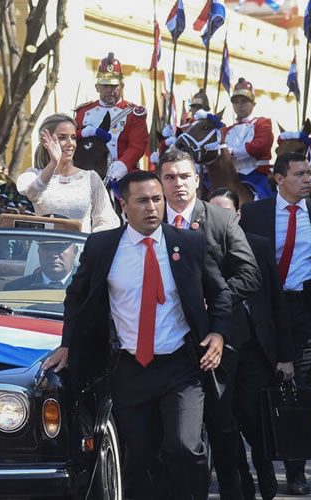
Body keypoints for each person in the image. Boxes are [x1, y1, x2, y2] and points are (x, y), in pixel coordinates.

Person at [44, 170, 231, 500]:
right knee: (140, 455)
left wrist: (218, 333)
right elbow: (76, 297)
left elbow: (221, 294)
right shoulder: (103, 246)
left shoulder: (188, 244)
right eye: (142, 201)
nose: (151, 207)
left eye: (157, 199)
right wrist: (67, 344)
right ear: (124, 206)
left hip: (181, 367)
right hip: (129, 369)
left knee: (184, 447)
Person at [240, 151, 311, 495]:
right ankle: (262, 465)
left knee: (297, 387)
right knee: (259, 388)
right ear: (279, 178)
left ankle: (296, 469)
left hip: (307, 311)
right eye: (299, 174)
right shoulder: (254, 214)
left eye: (308, 173)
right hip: (264, 312)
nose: (307, 180)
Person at [159, 147, 262, 499]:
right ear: (160, 181)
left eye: (184, 176)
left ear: (197, 180)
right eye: (170, 177)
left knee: (222, 427)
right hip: (167, 343)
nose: (178, 184)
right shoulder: (150, 221)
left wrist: (213, 300)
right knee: (176, 436)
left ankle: (235, 490)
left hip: (220, 341)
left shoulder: (220, 220)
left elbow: (250, 274)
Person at [208, 187, 295, 500]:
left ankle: (264, 467)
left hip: (257, 348)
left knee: (252, 417)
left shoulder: (258, 246)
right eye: (214, 213)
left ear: (238, 215)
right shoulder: (201, 247)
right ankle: (241, 480)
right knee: (225, 421)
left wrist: (285, 356)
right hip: (220, 348)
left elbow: (277, 303)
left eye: (226, 212)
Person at [17, 114, 120, 232]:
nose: (70, 143)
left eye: (73, 137)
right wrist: (53, 163)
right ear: (46, 141)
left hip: (81, 243)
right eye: (62, 138)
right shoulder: (34, 175)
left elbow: (106, 220)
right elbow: (33, 194)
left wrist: (92, 240)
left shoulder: (91, 178)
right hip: (44, 243)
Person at [74, 52, 149, 182]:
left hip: (122, 174)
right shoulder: (83, 112)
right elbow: (72, 137)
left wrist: (120, 167)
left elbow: (137, 146)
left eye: (114, 85)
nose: (110, 90)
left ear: (122, 86)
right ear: (97, 87)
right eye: (105, 85)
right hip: (85, 173)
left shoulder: (133, 113)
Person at [221, 78, 274, 184]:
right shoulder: (225, 131)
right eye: (236, 102)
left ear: (253, 104)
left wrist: (231, 152)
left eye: (244, 101)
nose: (239, 105)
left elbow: (261, 146)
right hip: (231, 176)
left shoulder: (262, 123)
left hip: (257, 176)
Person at [3, 240, 77, 291]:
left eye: (59, 248)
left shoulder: (83, 289)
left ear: (75, 251)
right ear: (38, 251)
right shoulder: (15, 289)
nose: (53, 255)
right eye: (47, 248)